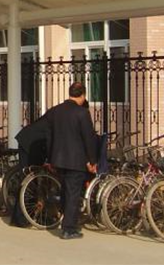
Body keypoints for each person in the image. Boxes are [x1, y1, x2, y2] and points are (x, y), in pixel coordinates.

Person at [47, 82, 97, 240]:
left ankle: (65, 219)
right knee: (73, 194)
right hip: (76, 160)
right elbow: (88, 138)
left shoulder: (56, 111)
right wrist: (92, 160)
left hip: (58, 159)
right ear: (82, 95)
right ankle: (69, 229)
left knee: (65, 191)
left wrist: (50, 157)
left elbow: (50, 135)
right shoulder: (82, 113)